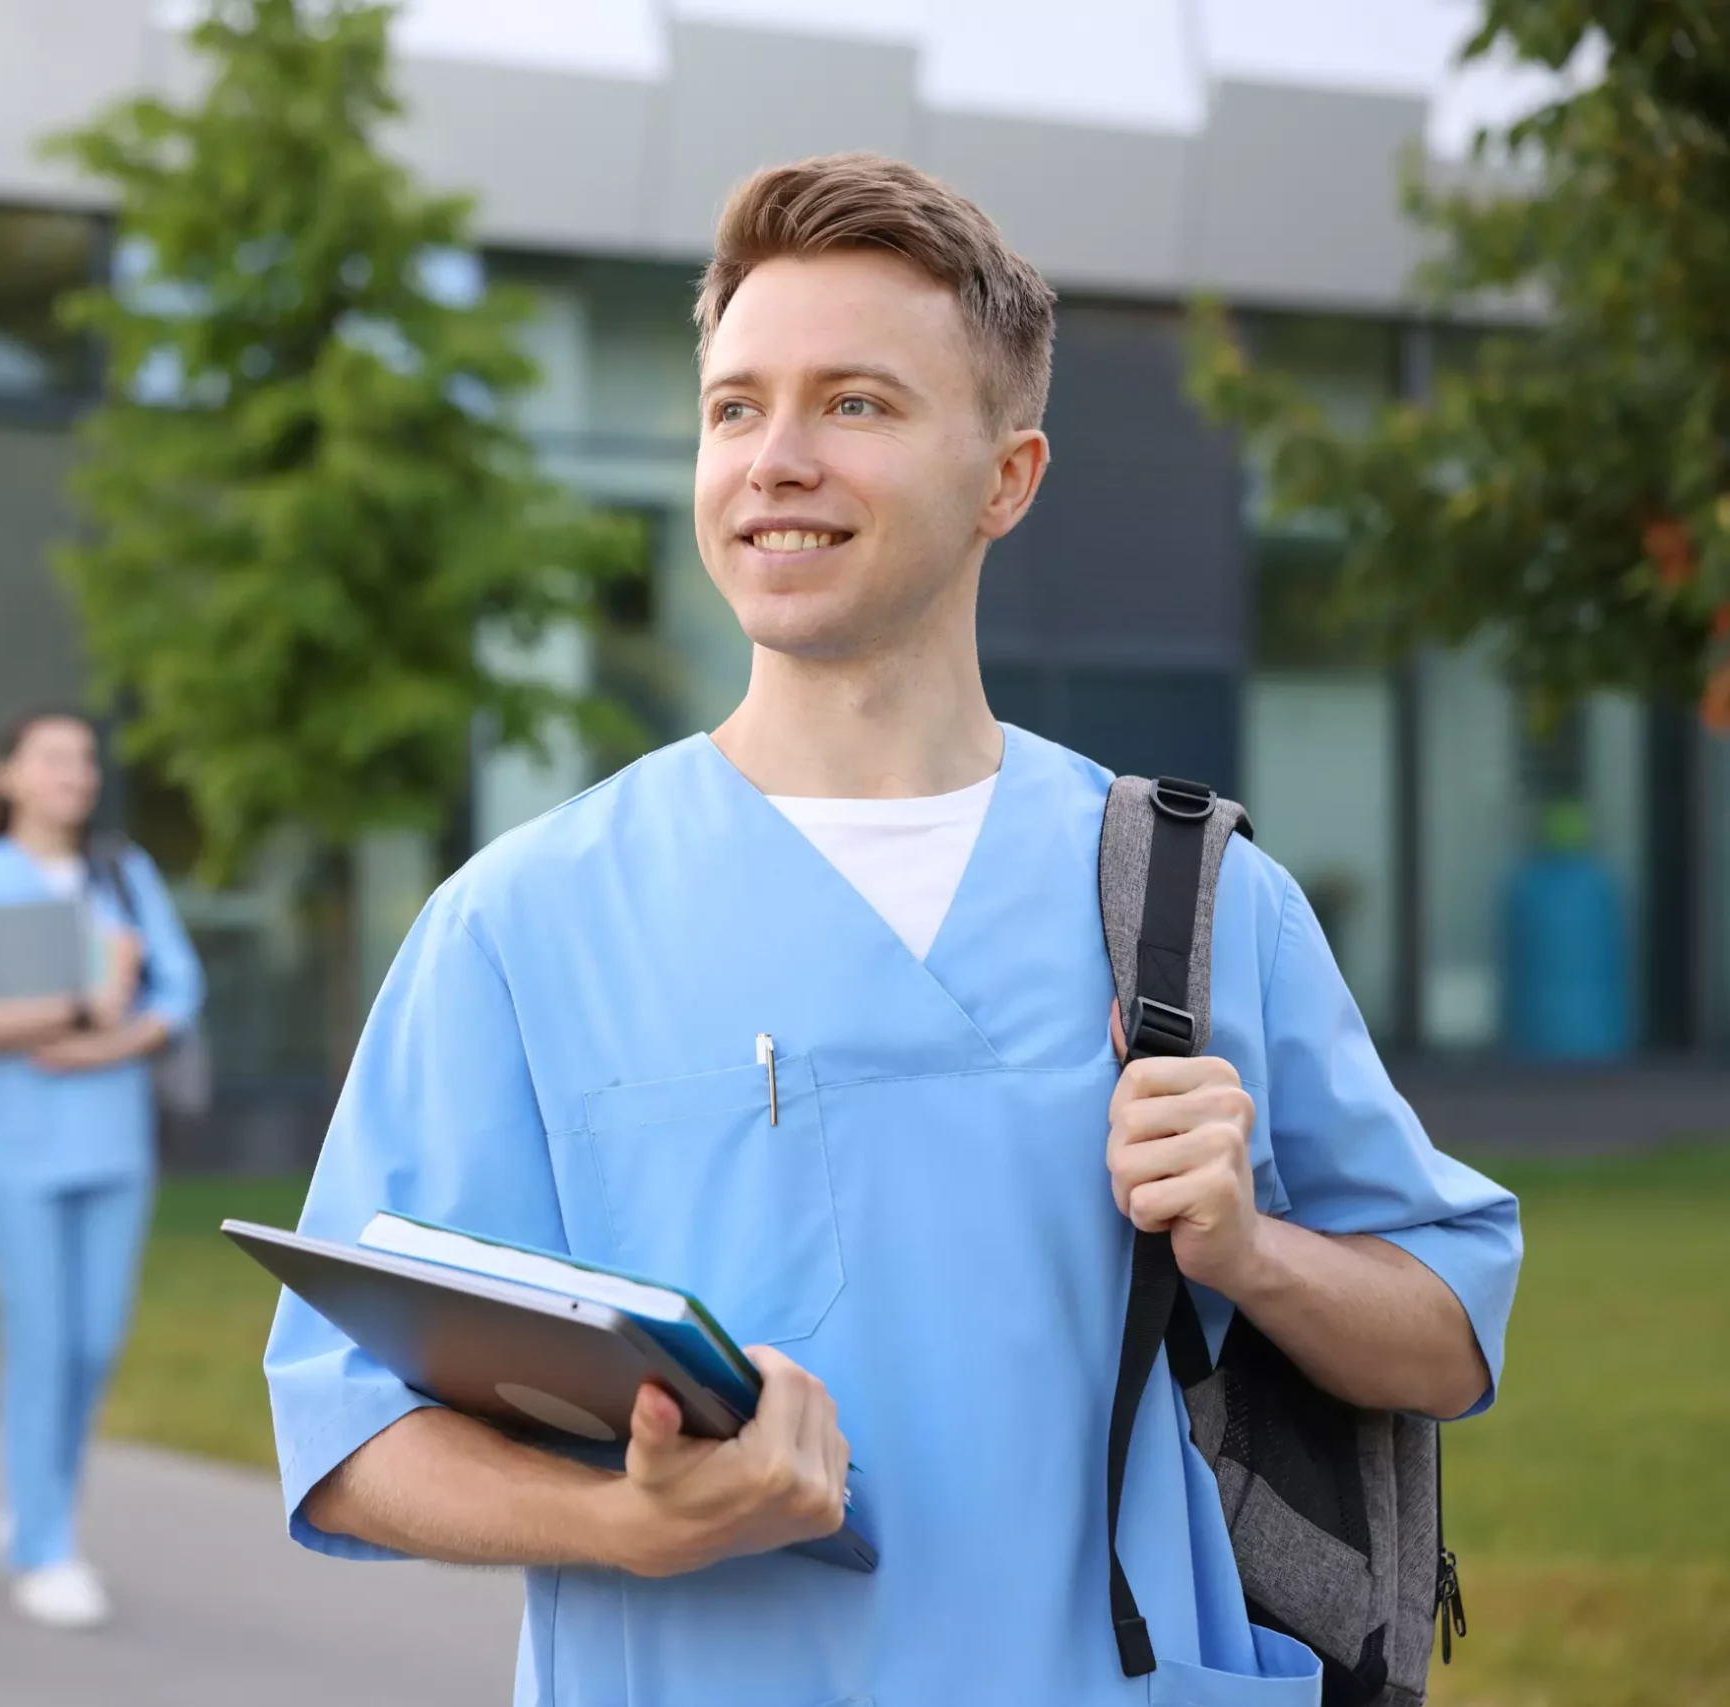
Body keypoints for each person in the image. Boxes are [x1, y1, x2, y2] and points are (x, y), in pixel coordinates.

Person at [264, 153, 1523, 1706]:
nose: (774, 459)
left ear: (1009, 475)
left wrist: (1252, 1251)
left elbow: (1452, 1336)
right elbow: (344, 1424)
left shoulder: (1189, 902)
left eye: (855, 404)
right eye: (736, 406)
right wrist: (623, 1519)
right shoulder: (520, 922)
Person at [0, 709, 204, 1630]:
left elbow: (181, 990)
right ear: (6, 775)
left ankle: (35, 1498)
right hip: (17, 1154)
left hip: (114, 1146)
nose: (73, 774)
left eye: (83, 759)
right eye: (51, 758)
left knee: (93, 1343)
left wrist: (107, 1039)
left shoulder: (122, 872)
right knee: (39, 1340)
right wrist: (75, 1012)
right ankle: (44, 1542)